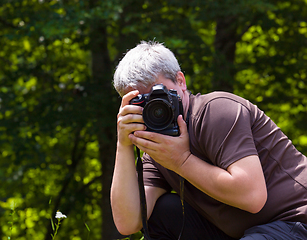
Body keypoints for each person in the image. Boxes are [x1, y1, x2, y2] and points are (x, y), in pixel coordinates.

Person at [110, 41, 307, 240]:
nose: (153, 107)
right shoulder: (158, 149)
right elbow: (129, 222)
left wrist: (181, 161)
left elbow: (252, 197)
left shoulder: (217, 110)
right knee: (160, 214)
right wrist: (123, 144)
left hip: (294, 220)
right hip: (240, 231)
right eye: (140, 102)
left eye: (157, 94)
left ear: (181, 81)